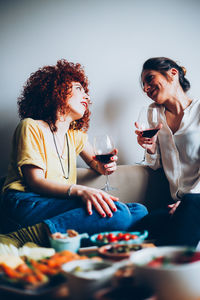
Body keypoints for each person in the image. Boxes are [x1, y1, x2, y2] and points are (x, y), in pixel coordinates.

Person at [0, 59, 147, 247]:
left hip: (55, 203)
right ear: (56, 90)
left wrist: (105, 166)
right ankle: (18, 238)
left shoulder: (76, 136)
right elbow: (34, 181)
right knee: (118, 213)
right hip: (24, 203)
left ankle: (65, 238)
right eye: (78, 89)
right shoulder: (31, 126)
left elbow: (97, 164)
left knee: (138, 211)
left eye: (85, 91)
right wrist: (81, 191)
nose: (85, 96)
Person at [135, 57, 200, 247]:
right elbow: (155, 164)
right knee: (141, 227)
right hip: (176, 202)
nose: (146, 88)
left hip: (195, 199)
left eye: (150, 79)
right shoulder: (152, 113)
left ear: (173, 74)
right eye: (143, 85)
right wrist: (151, 149)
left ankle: (170, 270)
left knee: (190, 207)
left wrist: (189, 202)